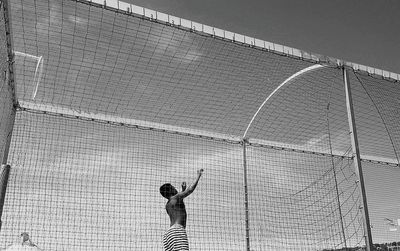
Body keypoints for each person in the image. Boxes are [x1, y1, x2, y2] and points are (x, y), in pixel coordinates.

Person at [160, 169, 204, 251]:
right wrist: (198, 176)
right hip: (178, 231)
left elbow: (178, 206)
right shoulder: (176, 197)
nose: (175, 188)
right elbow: (190, 190)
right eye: (173, 187)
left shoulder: (168, 205)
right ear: (171, 190)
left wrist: (182, 190)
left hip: (168, 235)